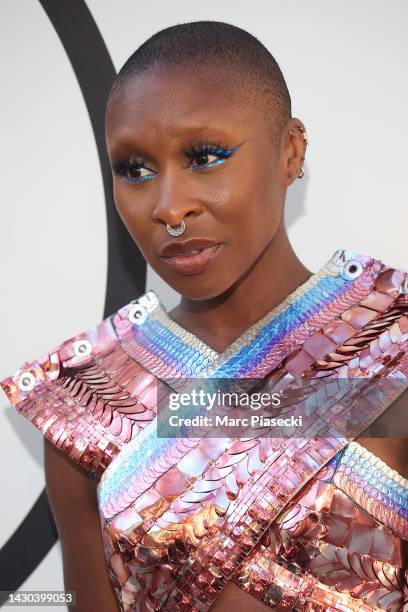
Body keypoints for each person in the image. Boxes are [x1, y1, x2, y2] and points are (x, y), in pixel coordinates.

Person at [1, 20, 407, 612]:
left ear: (290, 152)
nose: (169, 207)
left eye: (206, 157)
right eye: (134, 169)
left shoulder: (389, 348)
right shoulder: (82, 403)